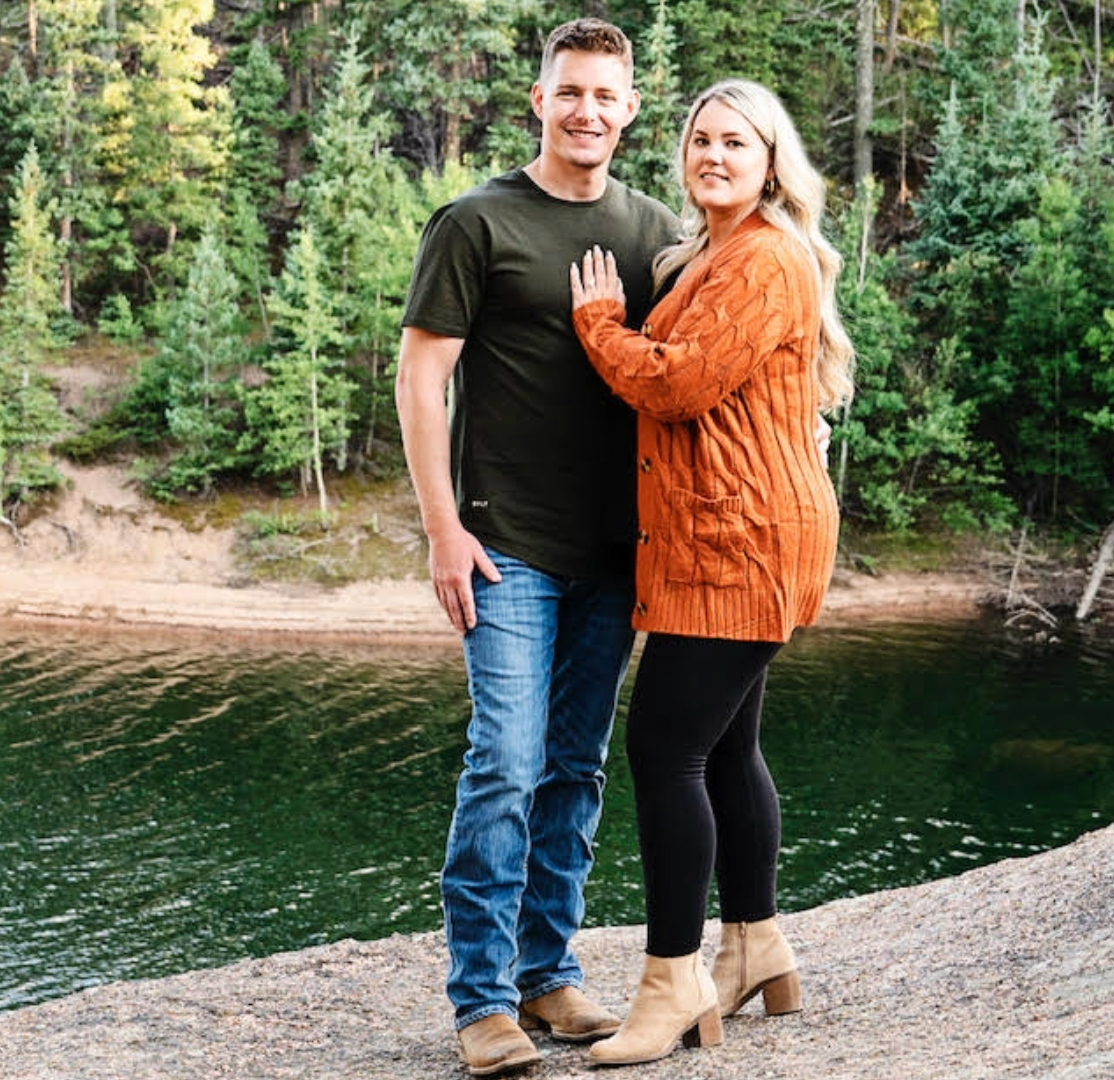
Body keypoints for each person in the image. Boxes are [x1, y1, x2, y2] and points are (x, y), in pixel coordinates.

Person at [394, 17, 680, 1079]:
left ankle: (547, 974)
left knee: (574, 767)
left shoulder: (654, 232)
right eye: (570, 92)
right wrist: (442, 528)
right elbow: (421, 378)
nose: (586, 111)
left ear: (630, 108)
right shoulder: (476, 222)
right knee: (505, 762)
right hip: (503, 546)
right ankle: (481, 1001)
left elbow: (683, 375)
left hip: (615, 552)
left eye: (606, 95)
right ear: (539, 100)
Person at [565, 79, 855, 1066]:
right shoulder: (714, 254)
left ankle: (672, 979)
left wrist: (600, 323)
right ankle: (756, 942)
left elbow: (680, 383)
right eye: (700, 139)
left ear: (771, 163)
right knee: (727, 748)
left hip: (742, 537)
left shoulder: (763, 257)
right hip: (730, 530)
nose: (714, 155)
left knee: (664, 749)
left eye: (736, 142)